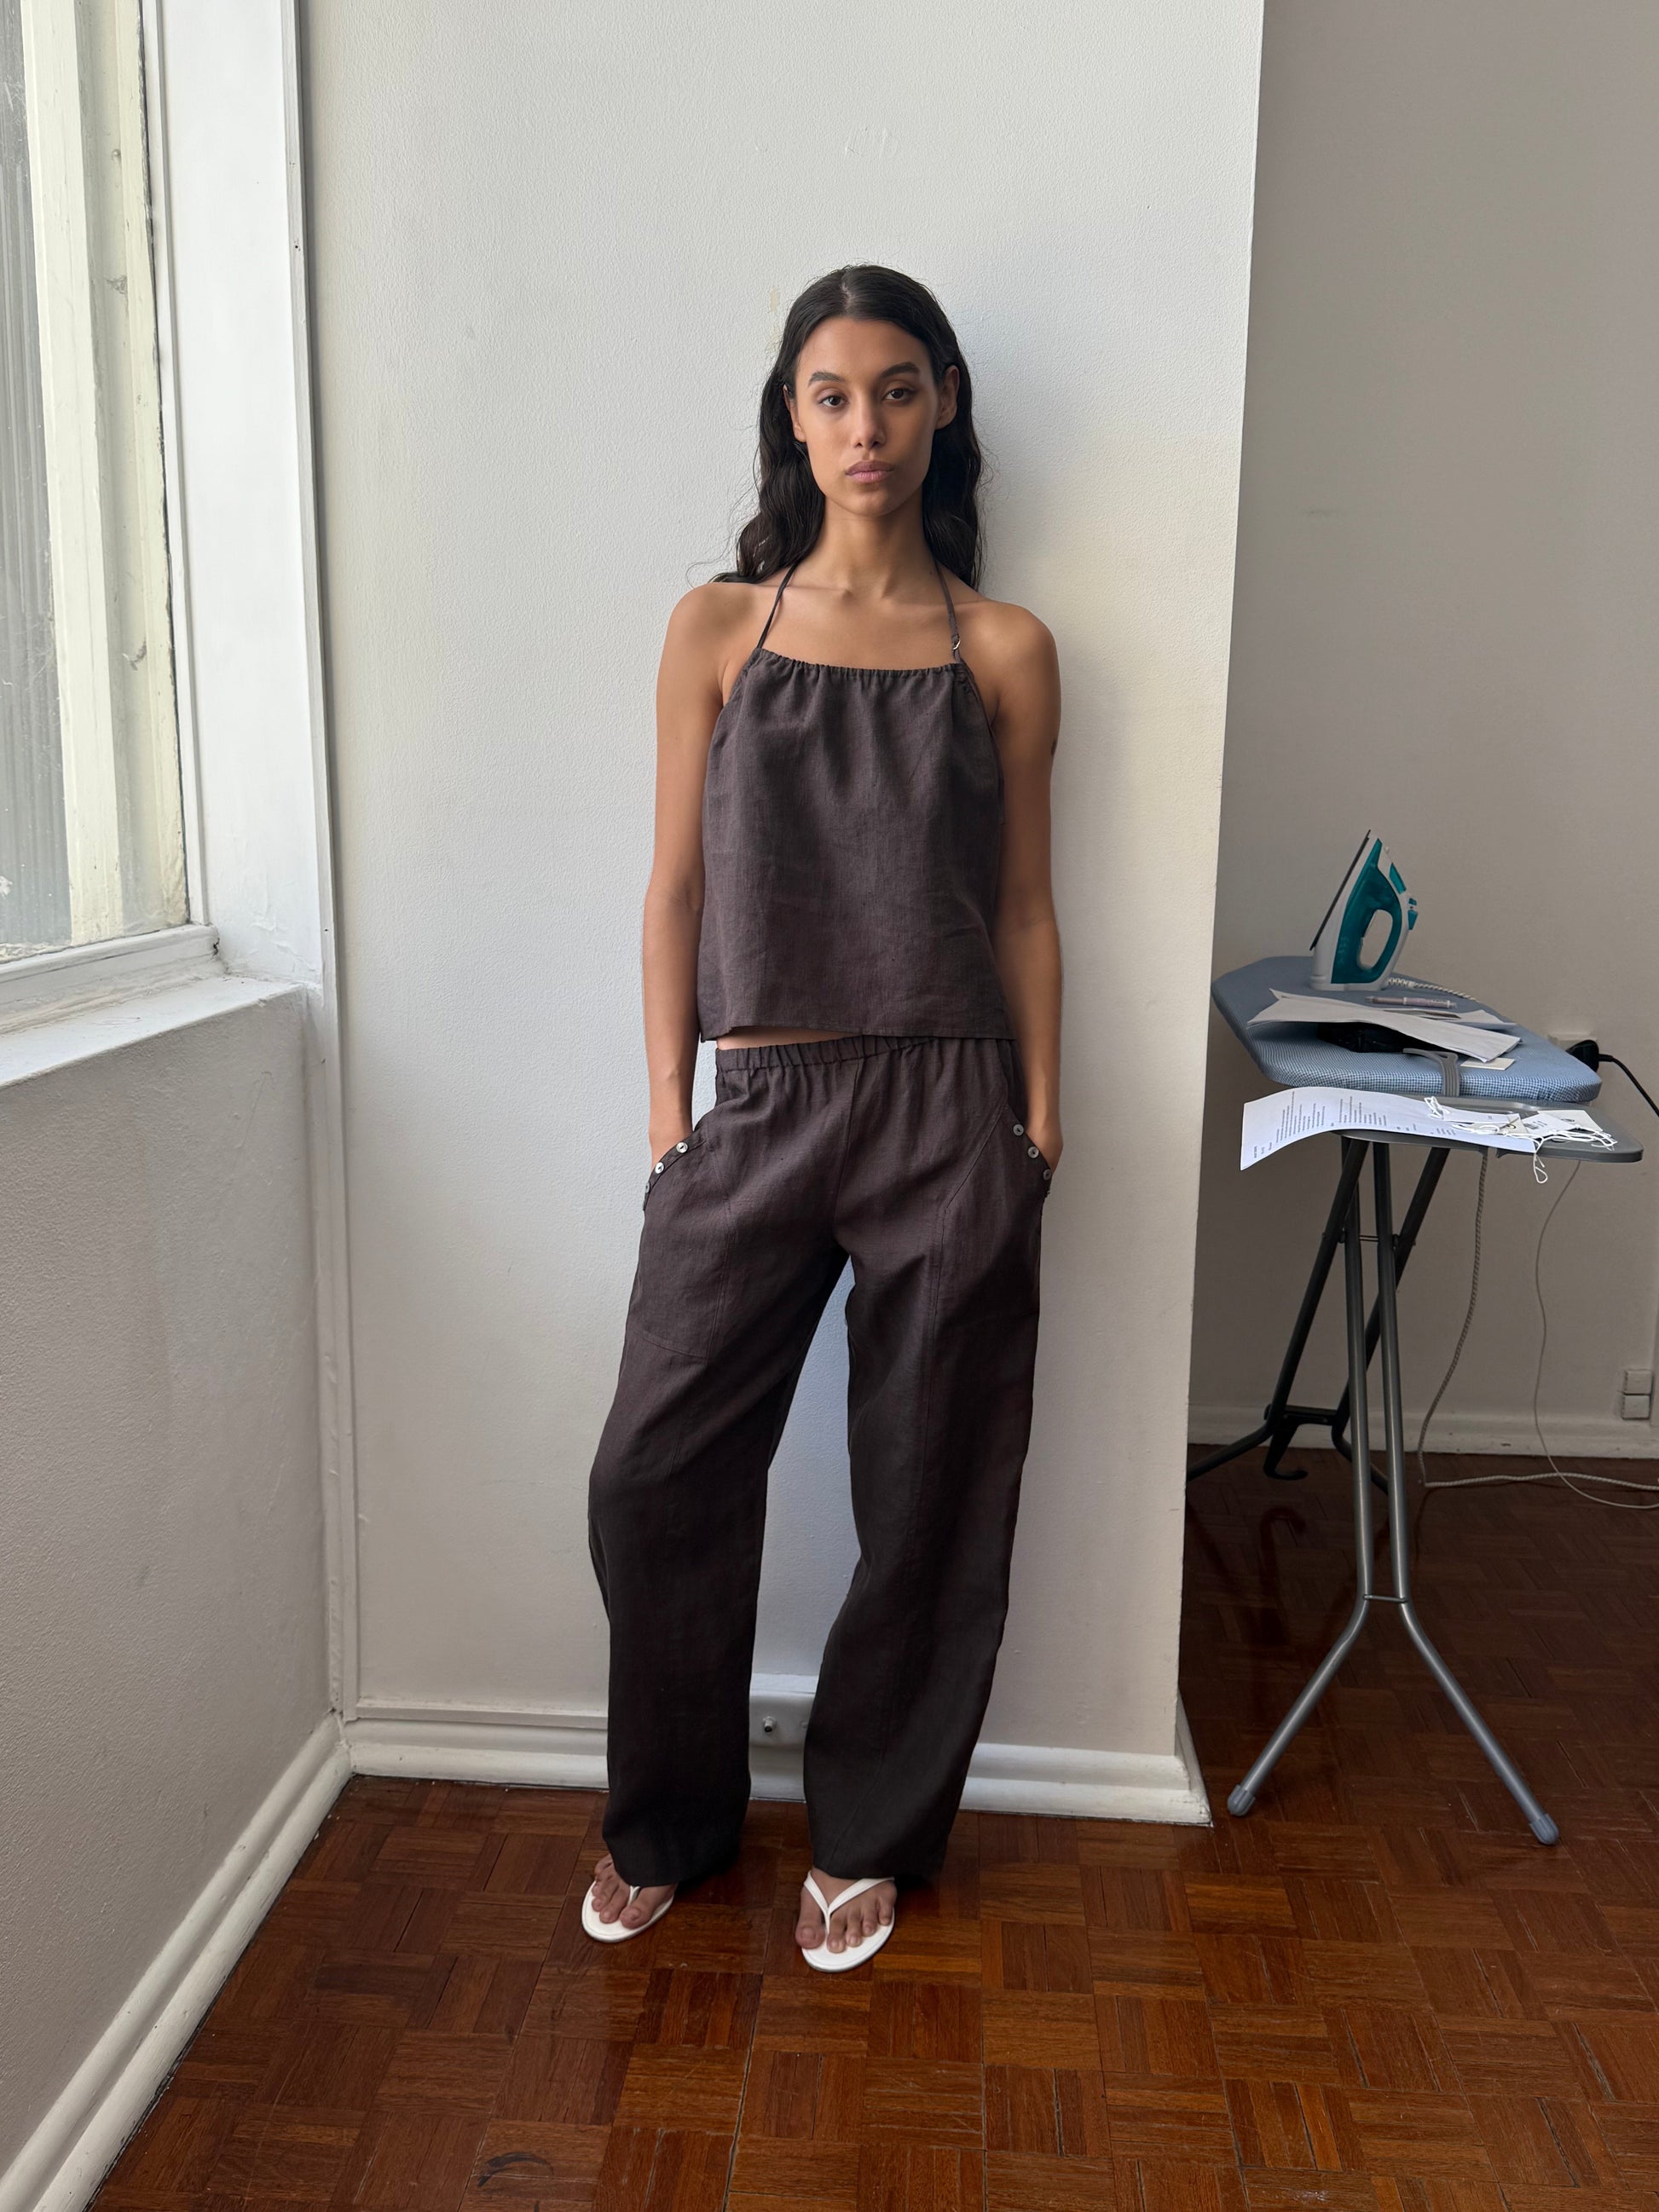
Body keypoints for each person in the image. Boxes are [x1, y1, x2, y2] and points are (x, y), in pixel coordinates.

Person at [581, 264, 1062, 1969]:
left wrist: (1037, 1122)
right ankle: (672, 1817)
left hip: (948, 1102)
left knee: (932, 1486)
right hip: (757, 1097)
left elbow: (1021, 908)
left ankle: (866, 1829)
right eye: (835, 392)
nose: (868, 424)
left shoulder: (1002, 648)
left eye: (901, 388)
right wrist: (669, 1110)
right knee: (655, 1471)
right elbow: (670, 887)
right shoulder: (719, 625)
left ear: (943, 413)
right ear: (792, 417)